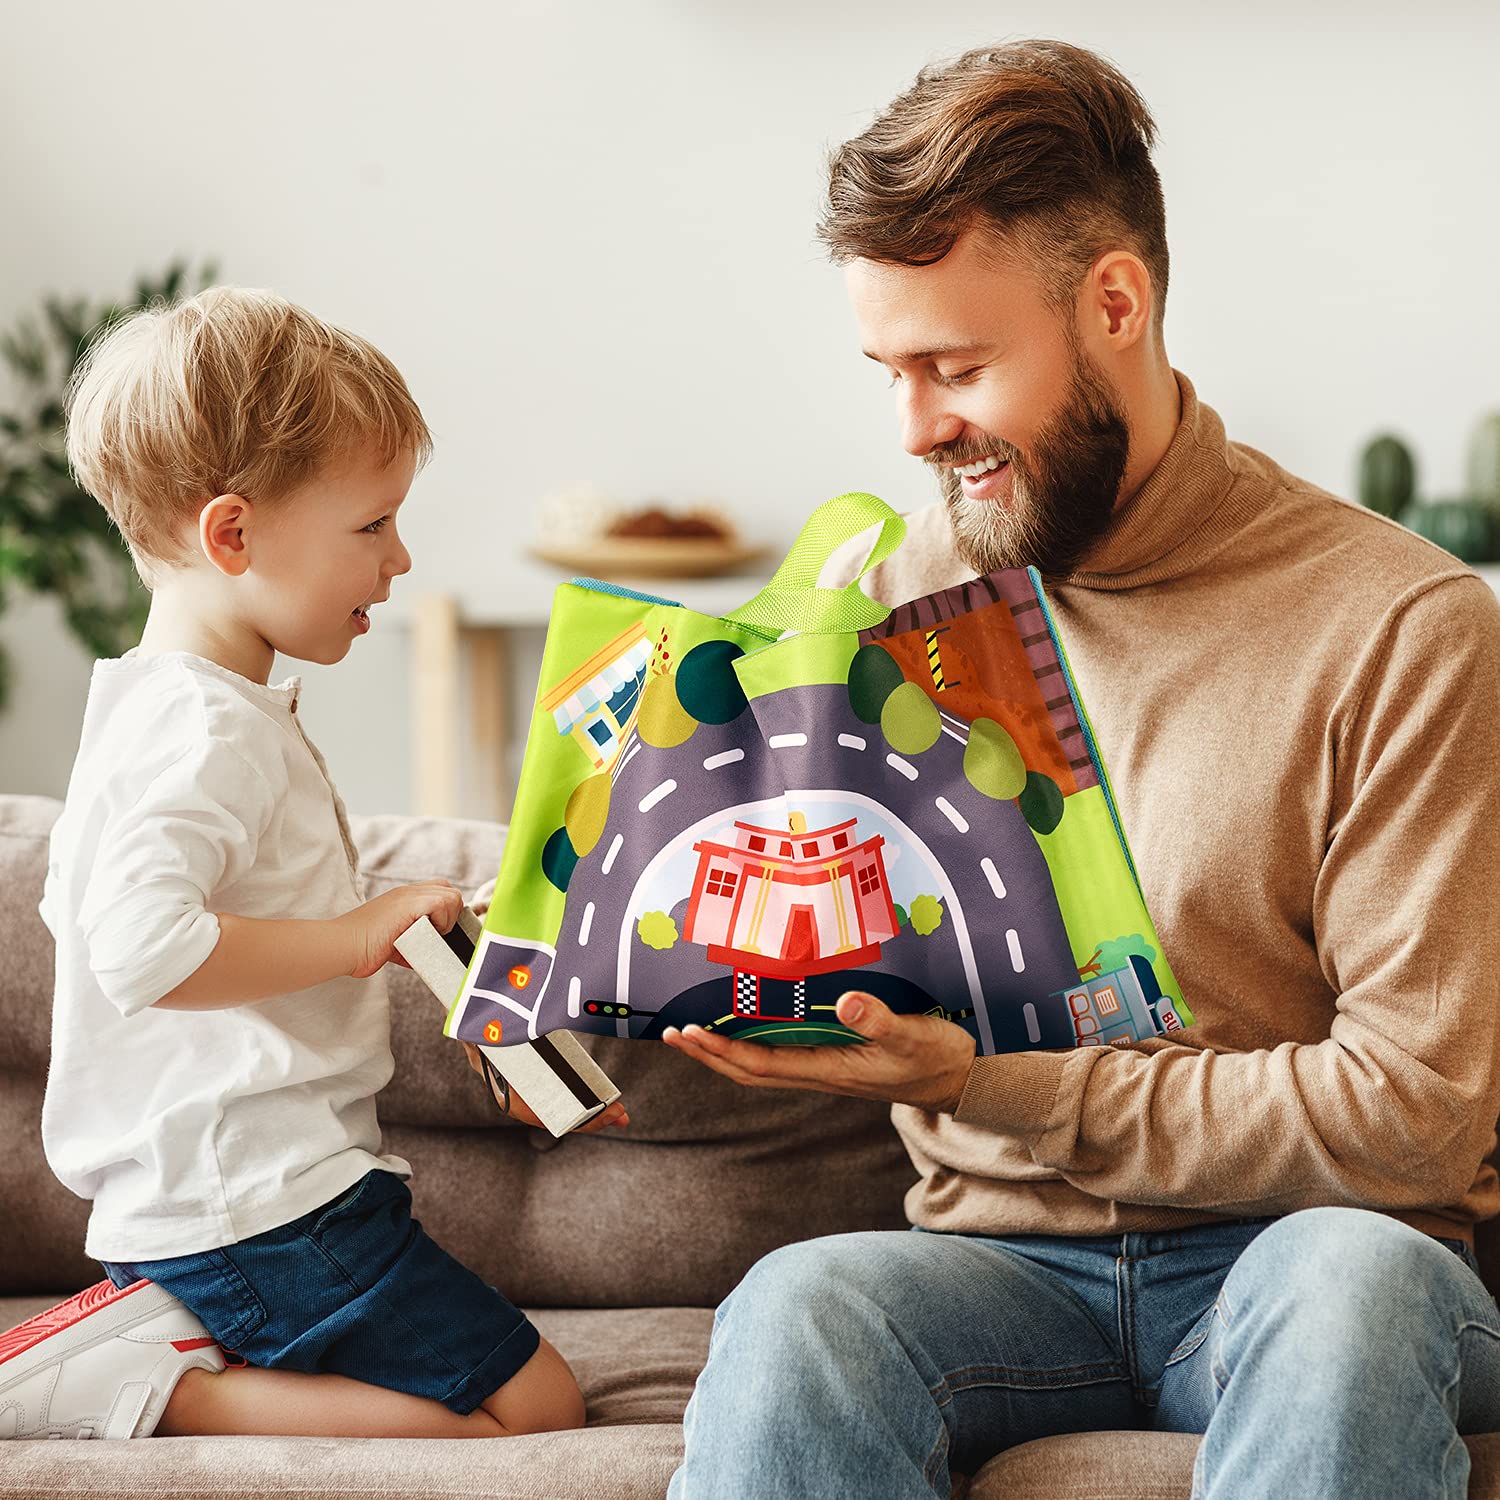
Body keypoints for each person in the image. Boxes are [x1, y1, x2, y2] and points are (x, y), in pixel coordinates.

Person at [663, 39, 1500, 1498]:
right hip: (993, 1266)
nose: (916, 429)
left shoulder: (1402, 627)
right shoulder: (895, 596)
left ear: (1115, 302)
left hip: (1307, 1255)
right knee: (799, 1307)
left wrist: (1007, 1084)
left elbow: (1414, 1112)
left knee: (1350, 1294)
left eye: (959, 367)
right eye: (892, 372)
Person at [0, 287, 626, 1442]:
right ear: (232, 534)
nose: (398, 559)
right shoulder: (205, 731)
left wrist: (428, 947)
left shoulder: (157, 710)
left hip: (240, 1202)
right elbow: (140, 948)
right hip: (261, 1210)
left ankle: (175, 1346)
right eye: (372, 525)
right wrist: (358, 936)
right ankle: (159, 1389)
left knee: (517, 1393)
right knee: (534, 1408)